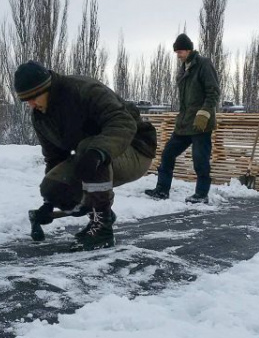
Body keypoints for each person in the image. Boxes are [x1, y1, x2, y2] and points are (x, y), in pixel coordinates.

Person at [14, 60, 157, 250]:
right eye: (26, 101)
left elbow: (124, 123)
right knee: (54, 186)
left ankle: (102, 228)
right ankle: (100, 212)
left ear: (47, 88)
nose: (31, 104)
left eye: (34, 97)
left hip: (135, 148)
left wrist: (98, 152)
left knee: (89, 150)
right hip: (94, 155)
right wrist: (51, 201)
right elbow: (55, 159)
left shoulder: (83, 90)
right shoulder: (41, 118)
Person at [145, 33, 220, 204]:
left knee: (200, 159)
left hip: (200, 124)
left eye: (180, 51)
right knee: (168, 154)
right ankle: (162, 190)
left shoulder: (203, 64)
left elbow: (213, 91)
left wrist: (205, 113)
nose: (178, 55)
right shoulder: (184, 68)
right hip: (185, 123)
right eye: (176, 52)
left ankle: (201, 194)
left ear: (188, 49)